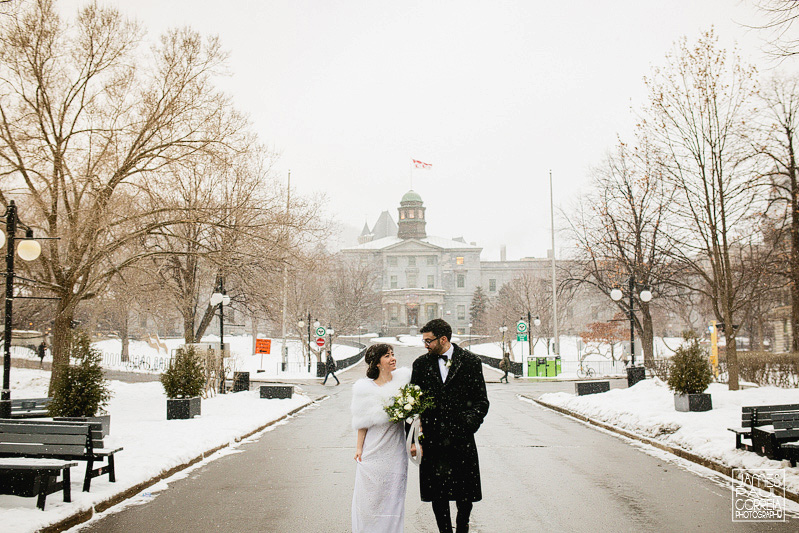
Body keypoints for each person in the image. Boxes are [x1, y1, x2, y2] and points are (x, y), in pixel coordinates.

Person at [411, 319, 489, 533]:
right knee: (438, 493)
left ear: (443, 339)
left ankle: (462, 526)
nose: (425, 345)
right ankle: (444, 530)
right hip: (433, 438)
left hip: (461, 438)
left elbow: (481, 401)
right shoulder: (420, 364)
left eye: (428, 340)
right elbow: (413, 401)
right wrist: (415, 435)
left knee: (465, 492)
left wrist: (467, 424)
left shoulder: (471, 362)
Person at [351, 344, 411, 533]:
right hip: (373, 450)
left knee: (394, 498)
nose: (393, 358)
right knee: (370, 500)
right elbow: (361, 423)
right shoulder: (364, 389)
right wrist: (359, 449)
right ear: (377, 363)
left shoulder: (404, 382)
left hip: (395, 450)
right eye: (387, 356)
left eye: (393, 354)